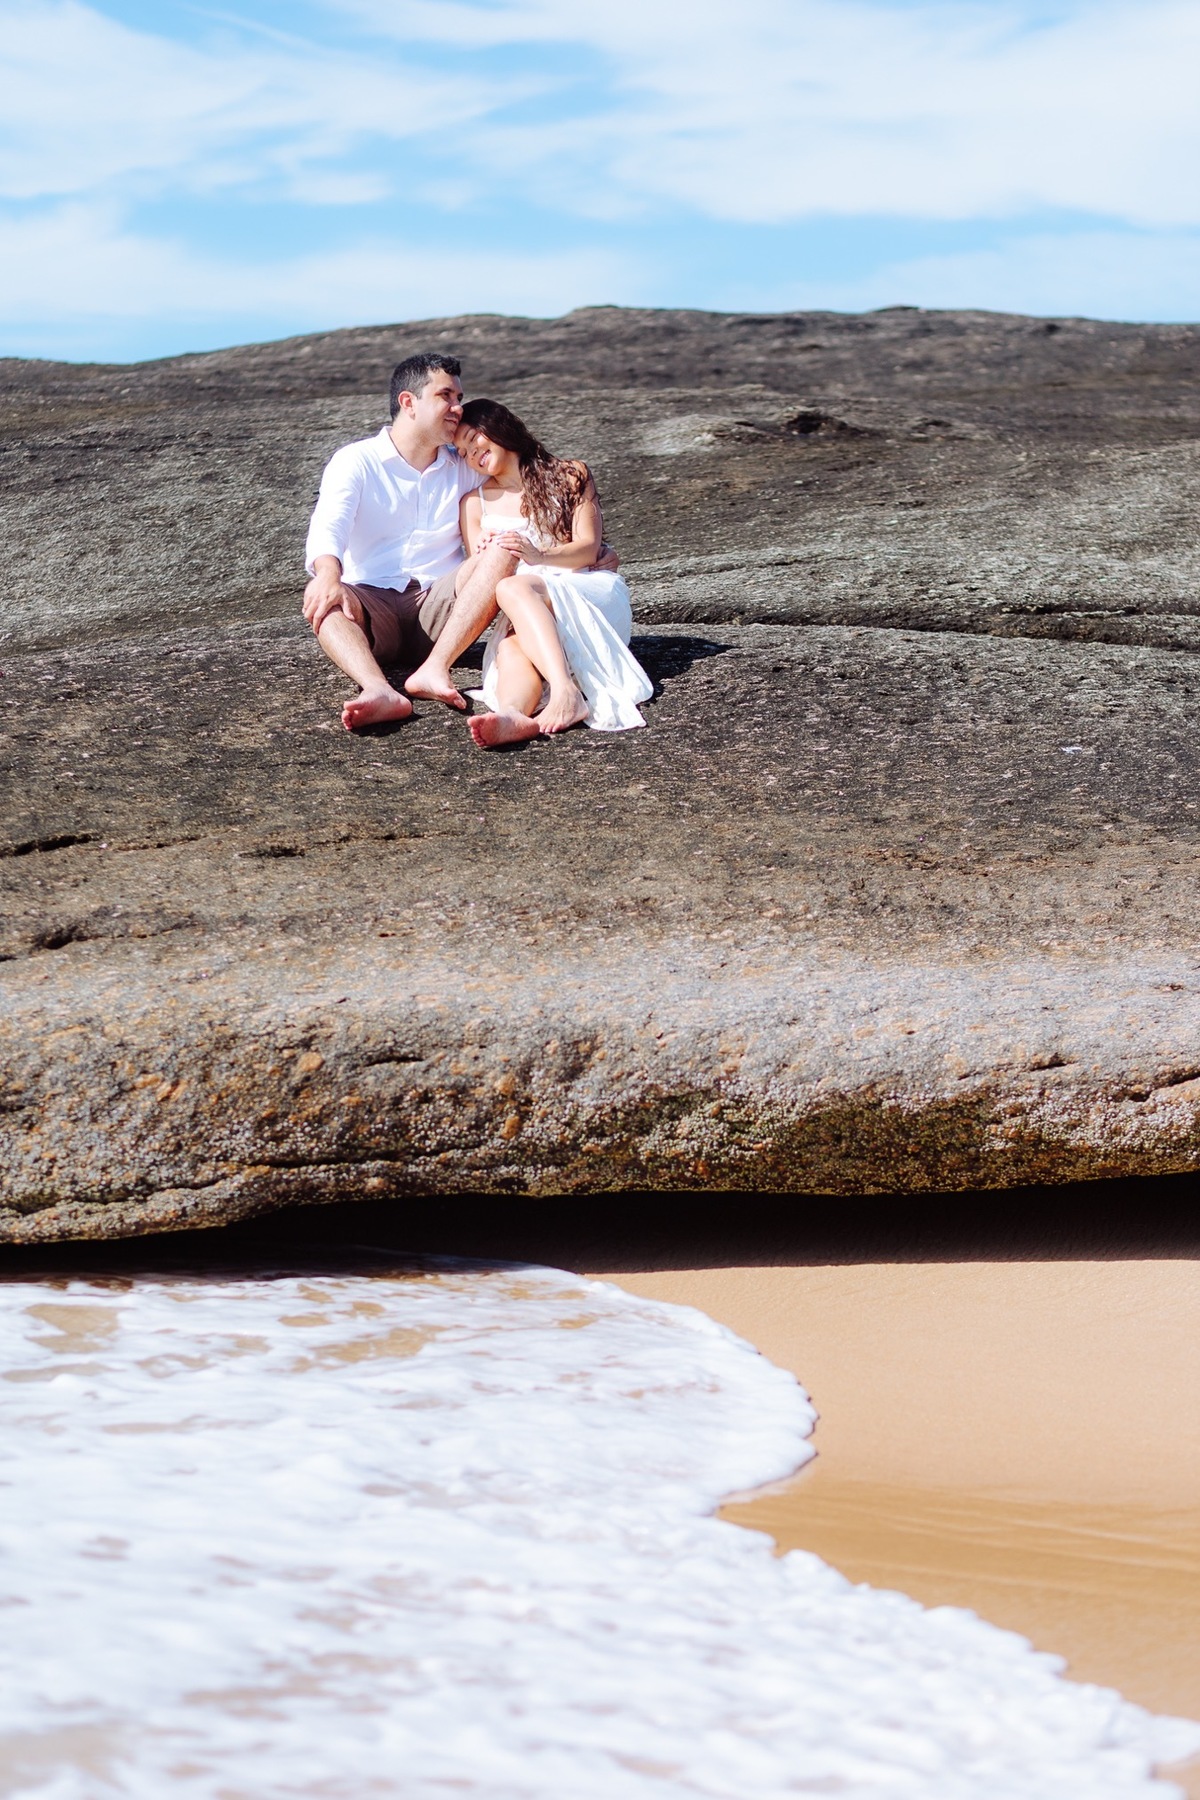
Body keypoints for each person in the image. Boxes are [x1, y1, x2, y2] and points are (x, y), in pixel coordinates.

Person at [302, 352, 519, 730]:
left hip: (443, 607)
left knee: (503, 549)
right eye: (446, 396)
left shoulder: (464, 465)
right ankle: (377, 689)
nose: (458, 408)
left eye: (459, 397)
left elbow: (523, 489)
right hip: (371, 602)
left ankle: (434, 670)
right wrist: (327, 574)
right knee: (325, 598)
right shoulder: (356, 460)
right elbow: (329, 523)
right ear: (408, 402)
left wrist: (586, 549)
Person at [454, 399, 653, 748]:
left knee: (513, 588)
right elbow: (481, 586)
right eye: (463, 451)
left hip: (587, 590)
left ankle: (564, 691)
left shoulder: (571, 474)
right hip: (527, 610)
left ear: (497, 426)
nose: (472, 453)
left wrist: (539, 554)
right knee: (512, 646)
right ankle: (514, 716)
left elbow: (589, 549)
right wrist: (482, 556)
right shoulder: (474, 504)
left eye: (474, 439)